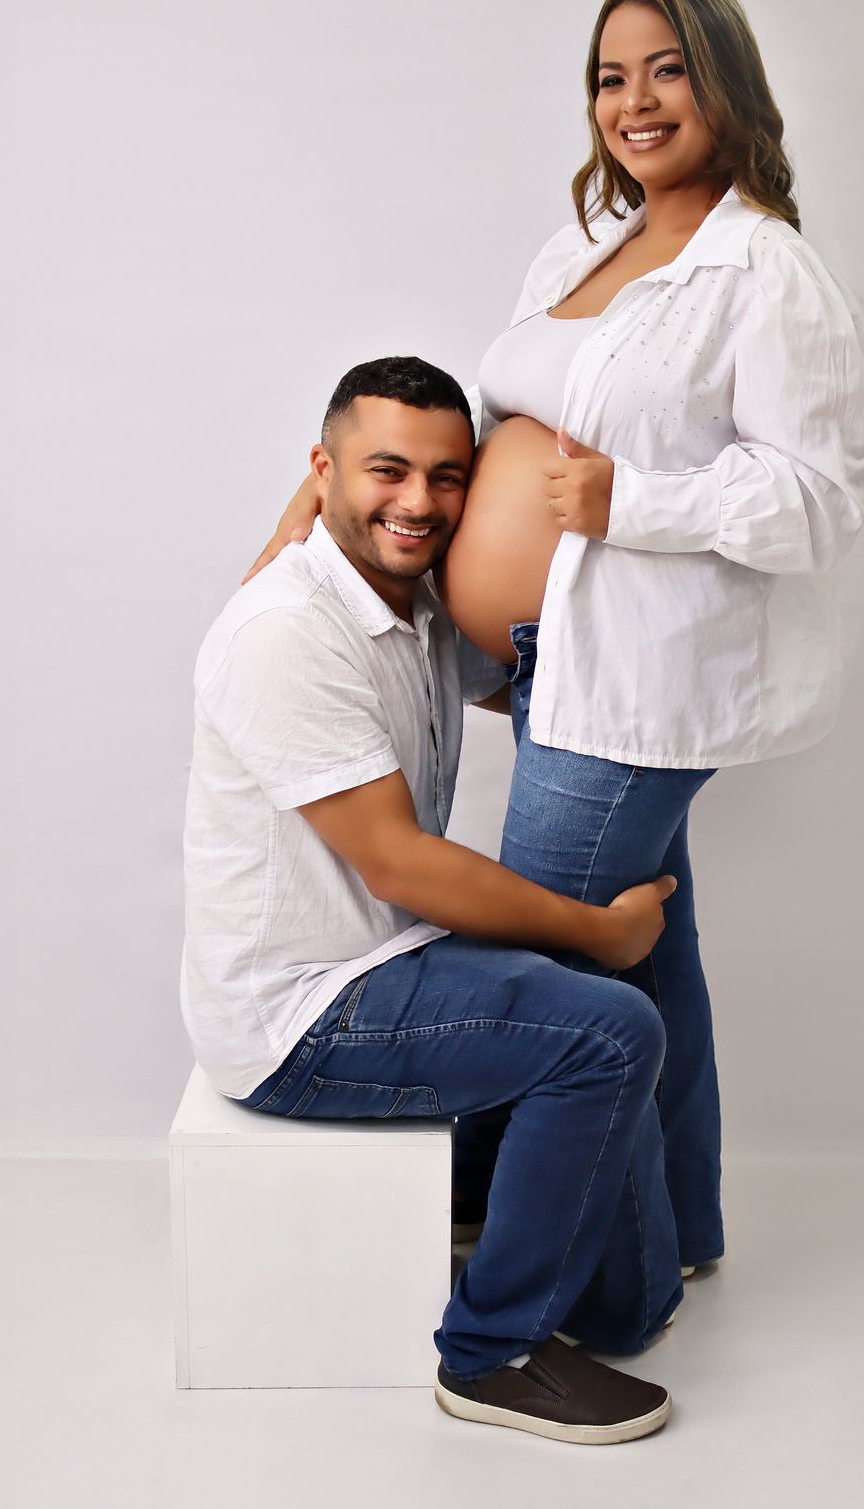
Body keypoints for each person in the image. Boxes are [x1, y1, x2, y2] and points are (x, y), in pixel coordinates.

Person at [247, 0, 864, 1277]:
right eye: (610, 77)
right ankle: (682, 1232)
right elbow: (503, 438)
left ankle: (571, 1261)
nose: (634, 101)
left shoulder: (767, 271)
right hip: (547, 665)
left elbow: (819, 501)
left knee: (539, 963)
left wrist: (625, 500)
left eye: (667, 70)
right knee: (646, 951)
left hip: (641, 683)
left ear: (725, 82)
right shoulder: (583, 247)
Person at [183, 356, 687, 1444]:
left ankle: (579, 1278)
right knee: (606, 1031)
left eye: (446, 476)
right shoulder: (287, 633)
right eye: (386, 471)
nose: (419, 501)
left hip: (379, 959)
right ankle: (492, 1354)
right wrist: (599, 929)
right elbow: (400, 866)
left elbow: (520, 668)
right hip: (301, 1016)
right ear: (322, 471)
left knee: (578, 1004)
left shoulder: (407, 607)